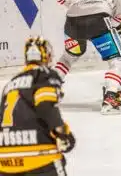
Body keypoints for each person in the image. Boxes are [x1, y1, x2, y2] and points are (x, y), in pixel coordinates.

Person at [0, 36, 75, 175]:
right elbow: (46, 107)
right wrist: (63, 134)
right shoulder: (44, 75)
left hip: (4, 161)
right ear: (46, 56)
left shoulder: (9, 85)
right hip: (39, 155)